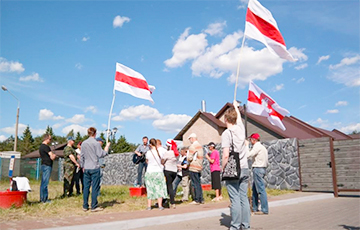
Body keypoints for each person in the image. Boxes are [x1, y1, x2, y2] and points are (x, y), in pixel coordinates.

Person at [221, 100, 250, 230]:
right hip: (245, 168)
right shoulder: (241, 129)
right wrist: (236, 107)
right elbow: (239, 119)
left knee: (235, 199)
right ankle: (246, 225)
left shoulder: (226, 134)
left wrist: (223, 167)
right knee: (244, 198)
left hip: (233, 170)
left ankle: (235, 226)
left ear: (226, 119)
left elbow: (226, 154)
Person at [80, 127, 110, 212]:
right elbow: (101, 154)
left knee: (86, 187)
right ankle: (94, 206)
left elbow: (81, 156)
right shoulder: (96, 143)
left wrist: (82, 166)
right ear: (95, 133)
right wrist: (106, 148)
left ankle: (85, 206)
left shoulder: (84, 143)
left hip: (86, 167)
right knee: (95, 187)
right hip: (95, 167)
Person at [247, 133, 269, 215]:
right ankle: (254, 208)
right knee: (255, 190)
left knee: (260, 189)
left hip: (258, 168)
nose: (250, 141)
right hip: (262, 168)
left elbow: (248, 155)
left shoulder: (257, 146)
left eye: (250, 139)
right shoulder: (263, 147)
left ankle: (264, 209)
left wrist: (246, 147)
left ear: (254, 140)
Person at [144, 138, 167, 211]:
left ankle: (149, 206)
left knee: (150, 188)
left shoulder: (148, 152)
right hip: (159, 171)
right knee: (159, 188)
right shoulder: (160, 152)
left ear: (150, 144)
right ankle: (160, 205)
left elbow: (147, 161)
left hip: (150, 171)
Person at [187, 133, 204, 205]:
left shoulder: (192, 146)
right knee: (198, 183)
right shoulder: (200, 146)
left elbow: (189, 157)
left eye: (190, 139)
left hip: (193, 166)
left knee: (194, 183)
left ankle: (196, 199)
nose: (190, 140)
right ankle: (201, 198)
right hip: (199, 166)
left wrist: (188, 160)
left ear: (192, 138)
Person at [39, 133, 56, 203]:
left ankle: (42, 198)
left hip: (43, 165)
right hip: (47, 165)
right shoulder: (46, 147)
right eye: (50, 139)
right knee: (45, 183)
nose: (50, 140)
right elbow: (52, 156)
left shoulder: (41, 147)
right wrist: (54, 155)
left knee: (43, 182)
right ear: (46, 139)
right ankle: (45, 199)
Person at [162, 139, 179, 209]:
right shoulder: (176, 153)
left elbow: (162, 161)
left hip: (168, 170)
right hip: (174, 171)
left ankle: (172, 202)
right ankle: (164, 200)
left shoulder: (167, 153)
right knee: (168, 186)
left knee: (169, 186)